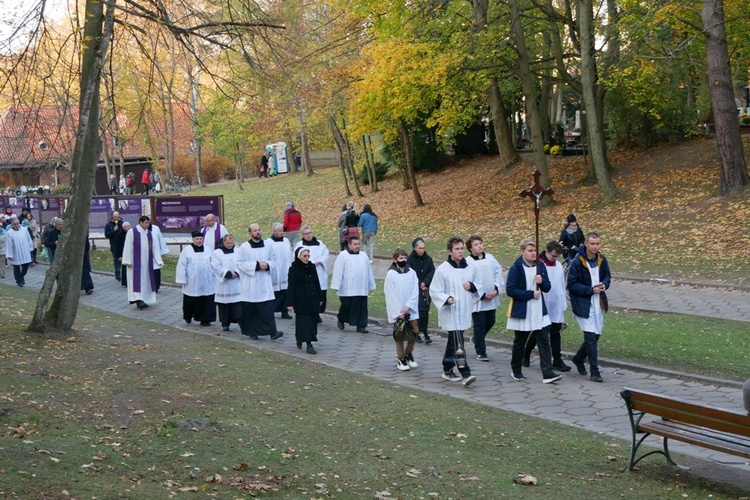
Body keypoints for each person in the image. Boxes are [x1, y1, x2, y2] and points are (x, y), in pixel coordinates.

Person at [506, 238, 562, 384]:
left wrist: (541, 282)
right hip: (523, 310)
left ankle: (547, 372)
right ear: (522, 251)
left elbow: (548, 287)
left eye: (535, 251)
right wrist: (530, 294)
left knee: (544, 341)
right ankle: (516, 369)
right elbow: (510, 290)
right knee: (520, 341)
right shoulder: (516, 268)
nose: (533, 253)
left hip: (539, 310)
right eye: (530, 251)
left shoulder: (540, 266)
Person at [429, 236, 480, 387]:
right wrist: (446, 298)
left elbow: (479, 283)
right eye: (457, 249)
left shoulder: (470, 267)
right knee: (458, 342)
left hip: (464, 310)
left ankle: (447, 369)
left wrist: (471, 286)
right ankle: (466, 373)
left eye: (462, 248)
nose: (460, 251)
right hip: (450, 311)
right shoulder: (443, 269)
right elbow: (435, 290)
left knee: (453, 341)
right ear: (450, 251)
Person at [568, 232, 611, 383]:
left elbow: (607, 276)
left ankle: (579, 358)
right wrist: (590, 290)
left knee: (596, 335)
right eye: (592, 244)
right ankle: (595, 371)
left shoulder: (601, 259)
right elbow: (572, 285)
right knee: (590, 337)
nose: (595, 246)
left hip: (597, 302)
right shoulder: (577, 262)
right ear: (585, 244)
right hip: (583, 303)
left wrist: (604, 284)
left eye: (597, 244)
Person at [523, 241, 571, 372]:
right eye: (553, 256)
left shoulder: (559, 266)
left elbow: (561, 285)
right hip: (543, 302)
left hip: (556, 303)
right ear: (547, 251)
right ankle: (526, 353)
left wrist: (563, 302)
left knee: (556, 332)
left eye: (557, 257)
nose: (555, 259)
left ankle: (557, 359)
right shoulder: (538, 265)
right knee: (540, 331)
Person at [236, 223, 284, 340]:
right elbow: (239, 263)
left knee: (267, 309)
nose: (257, 232)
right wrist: (256, 265)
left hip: (264, 283)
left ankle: (273, 332)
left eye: (258, 230)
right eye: (255, 230)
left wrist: (267, 265)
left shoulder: (268, 245)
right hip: (251, 283)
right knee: (252, 309)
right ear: (250, 233)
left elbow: (274, 260)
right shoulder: (244, 247)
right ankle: (252, 332)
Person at [466, 235, 503, 362]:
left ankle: (477, 339)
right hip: (478, 300)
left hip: (491, 297)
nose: (479, 246)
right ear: (470, 248)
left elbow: (498, 272)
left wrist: (496, 289)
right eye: (476, 244)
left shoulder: (490, 258)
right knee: (479, 325)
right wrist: (481, 295)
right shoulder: (468, 262)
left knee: (491, 321)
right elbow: (468, 281)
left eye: (480, 243)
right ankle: (481, 351)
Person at [384, 248, 420, 372]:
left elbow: (415, 290)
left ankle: (409, 353)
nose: (403, 260)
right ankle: (401, 358)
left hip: (411, 308)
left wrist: (409, 305)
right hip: (398, 310)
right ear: (395, 260)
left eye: (404, 258)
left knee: (414, 332)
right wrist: (399, 312)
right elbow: (391, 294)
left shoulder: (412, 273)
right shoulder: (391, 274)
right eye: (400, 258)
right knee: (400, 334)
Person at [331, 236, 375, 333]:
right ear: (349, 245)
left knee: (362, 307)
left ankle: (361, 325)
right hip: (347, 287)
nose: (357, 246)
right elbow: (338, 271)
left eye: (358, 244)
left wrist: (370, 284)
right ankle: (341, 319)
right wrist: (336, 285)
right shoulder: (343, 255)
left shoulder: (363, 255)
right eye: (355, 244)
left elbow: (368, 271)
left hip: (361, 287)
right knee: (346, 306)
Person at [286, 247, 324, 354]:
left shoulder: (312, 267)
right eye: (304, 256)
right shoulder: (293, 269)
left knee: (312, 323)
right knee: (304, 323)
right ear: (299, 257)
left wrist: (320, 297)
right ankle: (308, 344)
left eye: (308, 256)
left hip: (312, 299)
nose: (307, 258)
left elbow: (316, 282)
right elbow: (291, 287)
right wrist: (290, 303)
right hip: (301, 301)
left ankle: (302, 338)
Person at [122, 215, 164, 309]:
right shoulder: (132, 232)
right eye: (146, 223)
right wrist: (127, 260)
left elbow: (154, 247)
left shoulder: (150, 233)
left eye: (148, 223)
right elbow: (127, 246)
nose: (148, 224)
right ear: (140, 222)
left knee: (146, 281)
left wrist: (158, 260)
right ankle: (138, 300)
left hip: (146, 263)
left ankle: (145, 299)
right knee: (136, 281)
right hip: (134, 262)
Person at [176, 230, 217, 326]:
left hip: (207, 280)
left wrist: (215, 277)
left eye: (201, 239)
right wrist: (182, 279)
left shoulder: (208, 249)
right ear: (193, 239)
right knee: (191, 299)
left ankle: (205, 319)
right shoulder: (187, 250)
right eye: (197, 239)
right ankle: (188, 316)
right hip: (192, 280)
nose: (199, 241)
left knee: (207, 299)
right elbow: (181, 265)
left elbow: (213, 264)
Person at [295, 225, 330, 323]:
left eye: (310, 233)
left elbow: (326, 254)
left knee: (320, 294)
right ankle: (311, 313)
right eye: (306, 234)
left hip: (319, 270)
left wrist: (320, 261)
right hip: (307, 272)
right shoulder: (300, 245)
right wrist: (310, 263)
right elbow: (298, 257)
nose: (309, 235)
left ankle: (318, 312)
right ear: (303, 235)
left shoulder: (320, 244)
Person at [407, 237, 435, 344]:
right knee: (417, 311)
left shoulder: (428, 259)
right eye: (419, 248)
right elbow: (410, 273)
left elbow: (432, 271)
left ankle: (425, 331)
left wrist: (426, 282)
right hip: (415, 289)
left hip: (426, 289)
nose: (421, 250)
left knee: (425, 311)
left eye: (423, 248)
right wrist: (419, 283)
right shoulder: (410, 259)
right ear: (415, 248)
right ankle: (416, 333)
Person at [212, 234, 243, 332]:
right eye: (228, 243)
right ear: (223, 242)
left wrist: (237, 273)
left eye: (231, 243)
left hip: (236, 283)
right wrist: (227, 273)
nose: (230, 245)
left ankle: (241, 321)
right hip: (224, 283)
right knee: (224, 304)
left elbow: (242, 263)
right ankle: (225, 323)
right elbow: (215, 266)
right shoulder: (217, 253)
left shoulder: (238, 251)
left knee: (237, 303)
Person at [267, 222, 294, 319]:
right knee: (275, 292)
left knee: (285, 291)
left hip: (285, 269)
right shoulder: (269, 242)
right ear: (274, 231)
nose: (282, 232)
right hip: (276, 271)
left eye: (282, 230)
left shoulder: (286, 241)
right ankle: (272, 310)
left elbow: (290, 255)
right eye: (280, 231)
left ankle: (284, 311)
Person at [5, 216, 34, 287]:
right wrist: (10, 255)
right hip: (15, 252)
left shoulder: (24, 230)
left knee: (25, 267)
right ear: (12, 225)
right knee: (16, 267)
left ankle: (21, 276)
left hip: (24, 251)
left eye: (17, 224)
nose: (16, 225)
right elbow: (8, 244)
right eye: (14, 224)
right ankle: (19, 281)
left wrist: (30, 248)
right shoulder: (9, 233)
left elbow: (28, 239)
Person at [104, 211, 125, 280]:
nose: (116, 218)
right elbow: (107, 235)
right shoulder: (108, 225)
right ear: (112, 217)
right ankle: (117, 274)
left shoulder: (122, 224)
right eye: (115, 217)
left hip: (122, 245)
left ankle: (123, 273)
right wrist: (113, 230)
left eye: (117, 217)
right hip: (114, 246)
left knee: (123, 260)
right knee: (117, 260)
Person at [114, 221, 132, 287]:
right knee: (125, 268)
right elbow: (117, 246)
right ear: (124, 228)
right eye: (127, 226)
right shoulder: (119, 235)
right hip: (123, 253)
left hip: (131, 253)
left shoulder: (132, 234)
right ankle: (125, 281)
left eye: (130, 225)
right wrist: (119, 256)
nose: (129, 227)